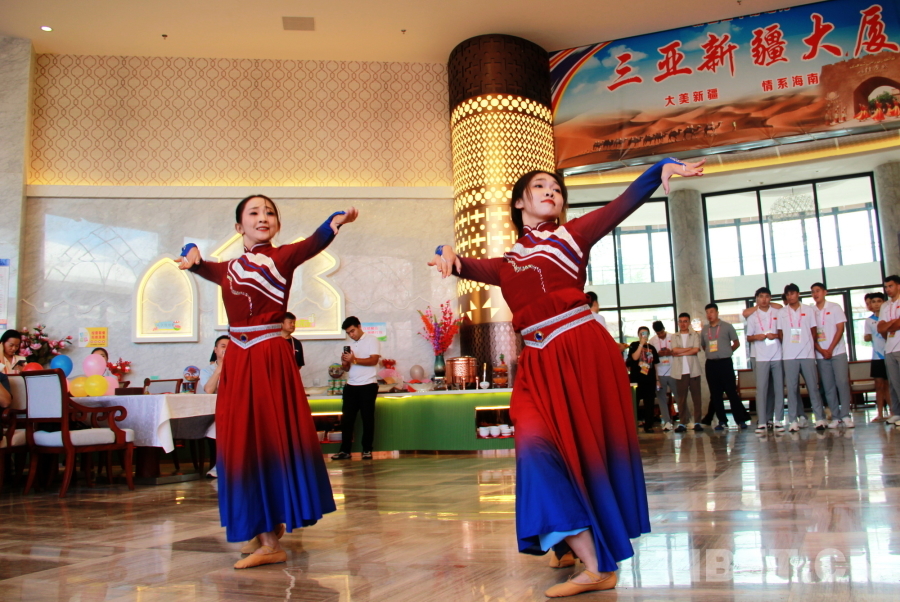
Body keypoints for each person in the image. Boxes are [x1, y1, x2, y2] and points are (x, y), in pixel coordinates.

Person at [429, 157, 706, 597]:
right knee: (535, 449)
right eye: (541, 186)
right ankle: (572, 545)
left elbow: (622, 203)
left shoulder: (572, 236)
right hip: (536, 364)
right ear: (519, 202)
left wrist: (659, 170)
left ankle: (595, 566)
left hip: (581, 351)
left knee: (585, 450)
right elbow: (461, 263)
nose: (551, 192)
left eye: (557, 189)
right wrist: (446, 251)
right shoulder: (506, 263)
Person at [177, 194, 358, 569]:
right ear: (238, 226)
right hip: (239, 360)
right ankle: (265, 527)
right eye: (254, 212)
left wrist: (333, 223)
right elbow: (199, 264)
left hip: (269, 357)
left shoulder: (283, 257)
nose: (263, 218)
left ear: (277, 223)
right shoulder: (228, 269)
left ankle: (270, 540)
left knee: (268, 438)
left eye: (270, 213)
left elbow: (314, 242)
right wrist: (190, 251)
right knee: (243, 440)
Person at [332, 316, 381, 461]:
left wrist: (354, 359)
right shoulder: (350, 344)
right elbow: (347, 369)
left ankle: (367, 450)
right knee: (347, 420)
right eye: (348, 333)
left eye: (352, 331)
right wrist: (345, 362)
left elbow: (374, 360)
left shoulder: (372, 340)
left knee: (367, 419)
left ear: (359, 326)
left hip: (368, 385)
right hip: (351, 386)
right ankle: (345, 451)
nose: (351, 335)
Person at [778, 283, 826, 430]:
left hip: (807, 354)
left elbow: (813, 330)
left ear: (798, 294)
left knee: (813, 387)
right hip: (789, 355)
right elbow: (780, 333)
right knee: (792, 389)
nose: (790, 296)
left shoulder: (808, 310)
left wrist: (808, 344)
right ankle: (793, 420)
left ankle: (820, 418)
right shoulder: (781, 312)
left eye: (793, 293)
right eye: (788, 294)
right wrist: (788, 345)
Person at [700, 303, 750, 429]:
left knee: (731, 392)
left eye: (712, 312)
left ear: (717, 313)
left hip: (725, 363)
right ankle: (722, 421)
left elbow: (736, 343)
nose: (709, 314)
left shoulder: (727, 326)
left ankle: (740, 420)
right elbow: (704, 346)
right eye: (707, 312)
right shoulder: (704, 329)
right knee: (715, 394)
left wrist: (728, 351)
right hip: (711, 364)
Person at [810, 283, 853, 428]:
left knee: (842, 383)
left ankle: (845, 415)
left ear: (825, 292)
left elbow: (840, 329)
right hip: (821, 354)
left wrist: (830, 348)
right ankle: (835, 416)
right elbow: (810, 334)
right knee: (828, 386)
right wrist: (822, 350)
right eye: (813, 292)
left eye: (818, 291)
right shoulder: (811, 311)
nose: (815, 294)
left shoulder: (835, 307)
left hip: (838, 351)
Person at [744, 287, 786, 431]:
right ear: (756, 298)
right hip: (761, 357)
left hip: (777, 355)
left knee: (779, 388)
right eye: (761, 296)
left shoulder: (777, 313)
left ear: (770, 298)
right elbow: (749, 337)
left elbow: (783, 332)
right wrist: (757, 336)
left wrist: (776, 336)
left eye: (767, 296)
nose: (764, 299)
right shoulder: (752, 316)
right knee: (761, 390)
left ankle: (778, 420)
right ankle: (762, 421)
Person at [198, 335, 229, 478]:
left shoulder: (241, 368)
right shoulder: (207, 371)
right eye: (223, 346)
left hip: (235, 410)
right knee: (216, 426)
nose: (226, 350)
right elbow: (209, 390)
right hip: (214, 412)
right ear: (215, 350)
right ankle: (219, 466)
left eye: (230, 347)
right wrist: (220, 368)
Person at [670, 313, 703, 432]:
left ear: (689, 323)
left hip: (694, 371)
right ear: (678, 323)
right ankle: (682, 423)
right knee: (681, 399)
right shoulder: (674, 336)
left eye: (685, 321)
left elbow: (696, 350)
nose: (683, 324)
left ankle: (697, 422)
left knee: (696, 398)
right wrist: (689, 348)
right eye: (680, 321)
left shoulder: (695, 335)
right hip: (680, 372)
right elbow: (674, 350)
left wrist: (681, 353)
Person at [625, 326, 659, 433]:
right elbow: (634, 357)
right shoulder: (634, 345)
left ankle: (648, 425)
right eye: (641, 333)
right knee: (634, 403)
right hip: (637, 380)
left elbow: (655, 365)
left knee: (649, 403)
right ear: (638, 335)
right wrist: (641, 344)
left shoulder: (652, 348)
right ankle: (633, 425)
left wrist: (657, 380)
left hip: (649, 379)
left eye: (645, 333)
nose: (643, 335)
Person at [877, 275, 900, 426]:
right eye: (886, 287)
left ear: (898, 286)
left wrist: (889, 324)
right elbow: (880, 327)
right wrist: (892, 323)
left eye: (890, 286)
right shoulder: (885, 305)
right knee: (893, 382)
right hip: (889, 348)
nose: (888, 289)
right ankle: (896, 412)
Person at [648, 321, 678, 432]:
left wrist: (671, 352)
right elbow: (650, 358)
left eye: (661, 332)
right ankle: (666, 421)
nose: (660, 335)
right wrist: (657, 355)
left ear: (664, 329)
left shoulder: (673, 337)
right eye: (658, 333)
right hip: (660, 373)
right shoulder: (652, 341)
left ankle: (685, 420)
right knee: (662, 398)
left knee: (679, 396)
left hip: (673, 371)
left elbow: (678, 351)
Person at [864, 292, 889, 421]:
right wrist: (867, 337)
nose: (876, 304)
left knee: (890, 385)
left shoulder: (889, 318)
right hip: (877, 357)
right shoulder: (869, 321)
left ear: (884, 302)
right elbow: (867, 336)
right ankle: (880, 414)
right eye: (873, 302)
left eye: (879, 301)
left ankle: (894, 412)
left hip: (889, 355)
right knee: (879, 386)